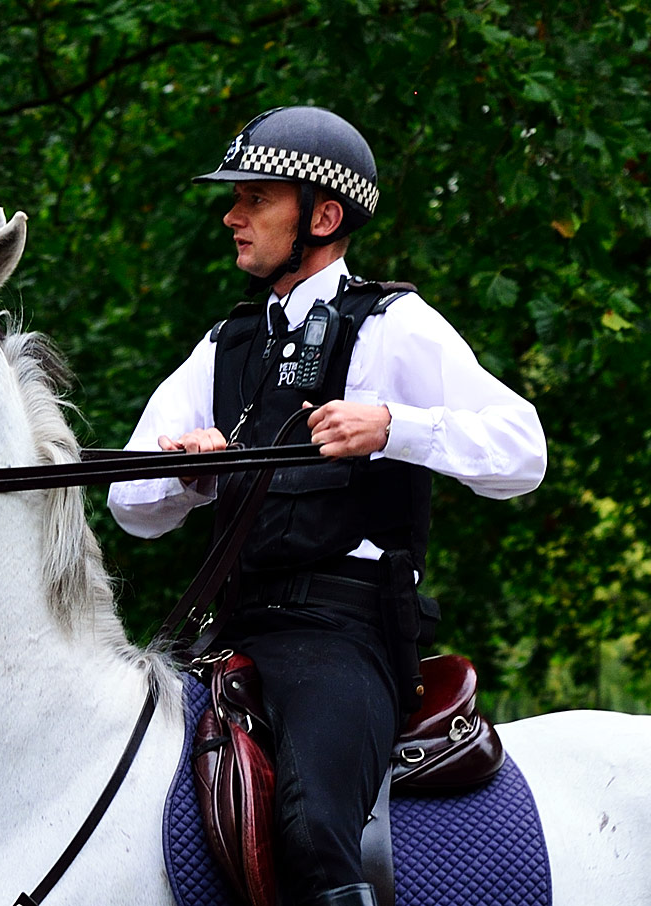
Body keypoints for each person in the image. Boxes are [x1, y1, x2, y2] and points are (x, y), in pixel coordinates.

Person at [107, 106, 547, 906]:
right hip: (229, 633)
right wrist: (190, 472)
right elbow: (129, 502)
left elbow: (524, 454)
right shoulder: (224, 345)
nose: (231, 215)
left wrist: (394, 427)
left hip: (344, 634)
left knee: (310, 827)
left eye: (254, 198)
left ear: (324, 215)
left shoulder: (396, 326)